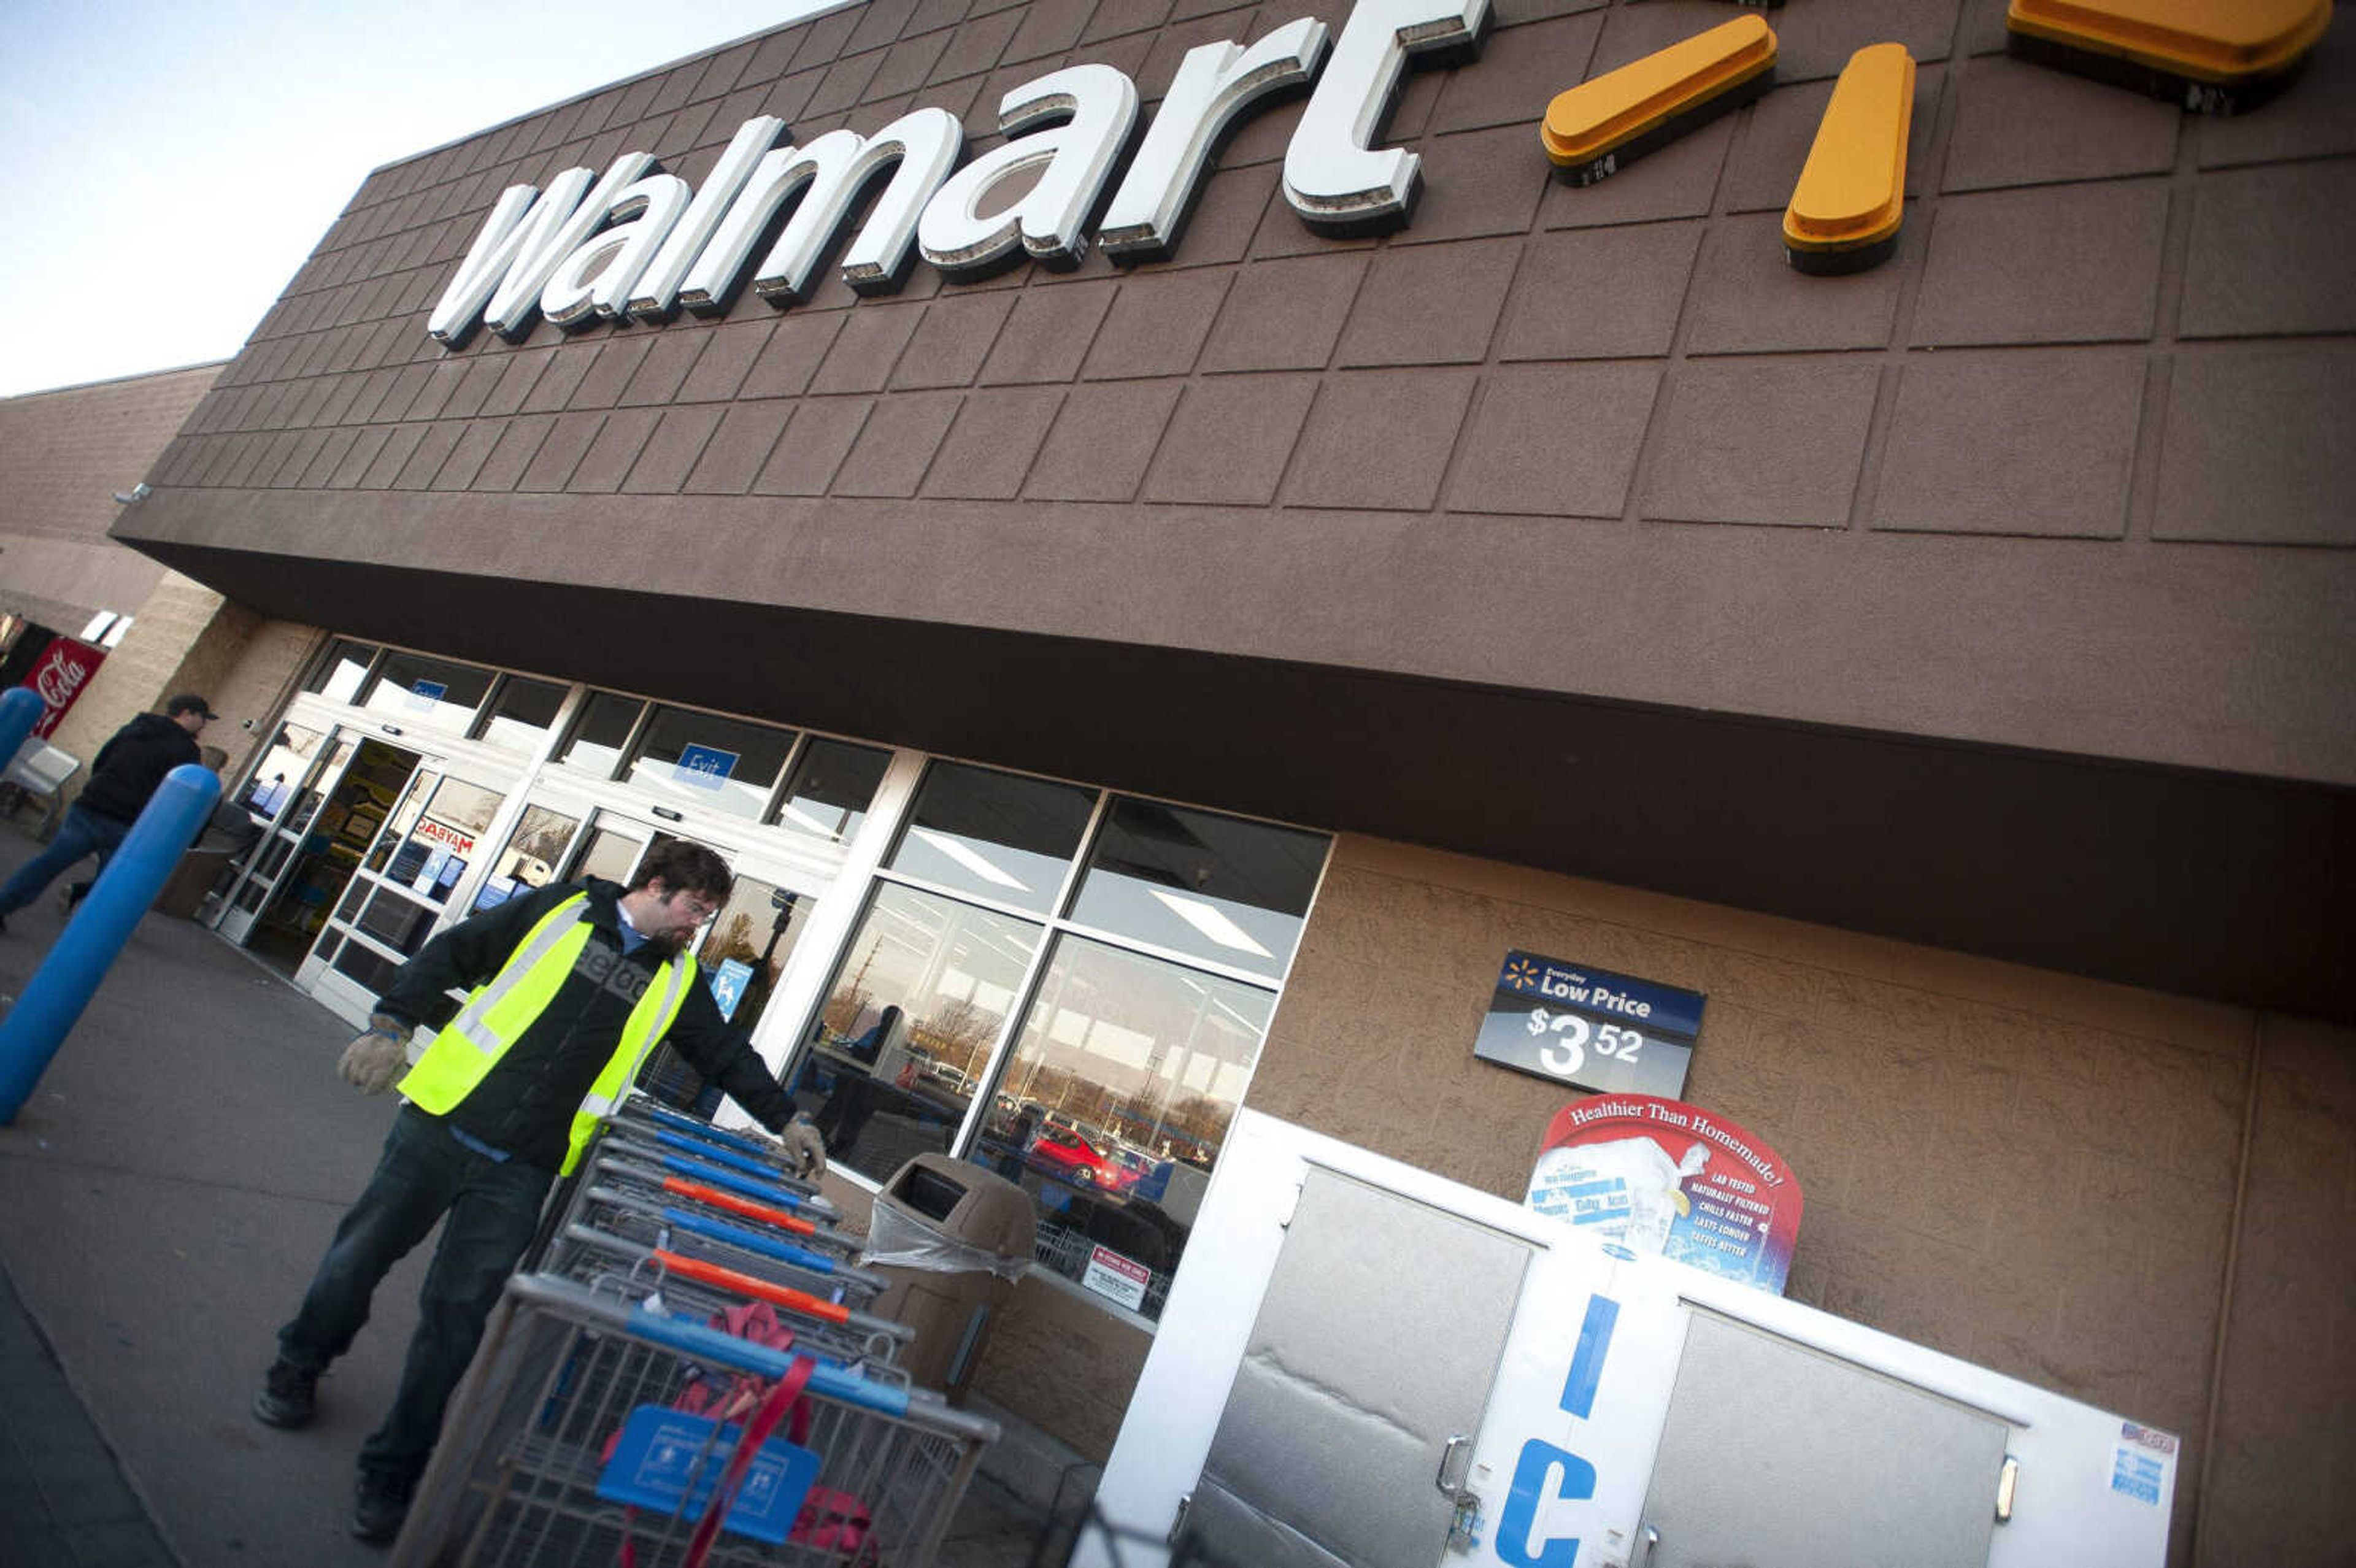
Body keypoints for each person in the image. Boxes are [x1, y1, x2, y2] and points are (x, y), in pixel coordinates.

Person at [249, 839, 827, 1543]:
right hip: (440, 1124)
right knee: (356, 1262)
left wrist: (787, 1118)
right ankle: (297, 1367)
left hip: (523, 1168)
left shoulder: (677, 981)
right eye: (693, 910)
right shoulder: (558, 910)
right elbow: (452, 954)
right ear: (654, 887)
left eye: (706, 916)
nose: (696, 927)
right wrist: (391, 1022)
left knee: (458, 1319)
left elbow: (726, 1056)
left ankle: (394, 1469)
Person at [0, 691, 215, 932]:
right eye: (203, 718)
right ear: (187, 714)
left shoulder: (136, 727)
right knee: (115, 885)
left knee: (47, 865)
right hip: (127, 823)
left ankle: (4, 905)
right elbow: (175, 796)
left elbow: (103, 759)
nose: (204, 724)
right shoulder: (186, 751)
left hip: (90, 808)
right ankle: (83, 934)